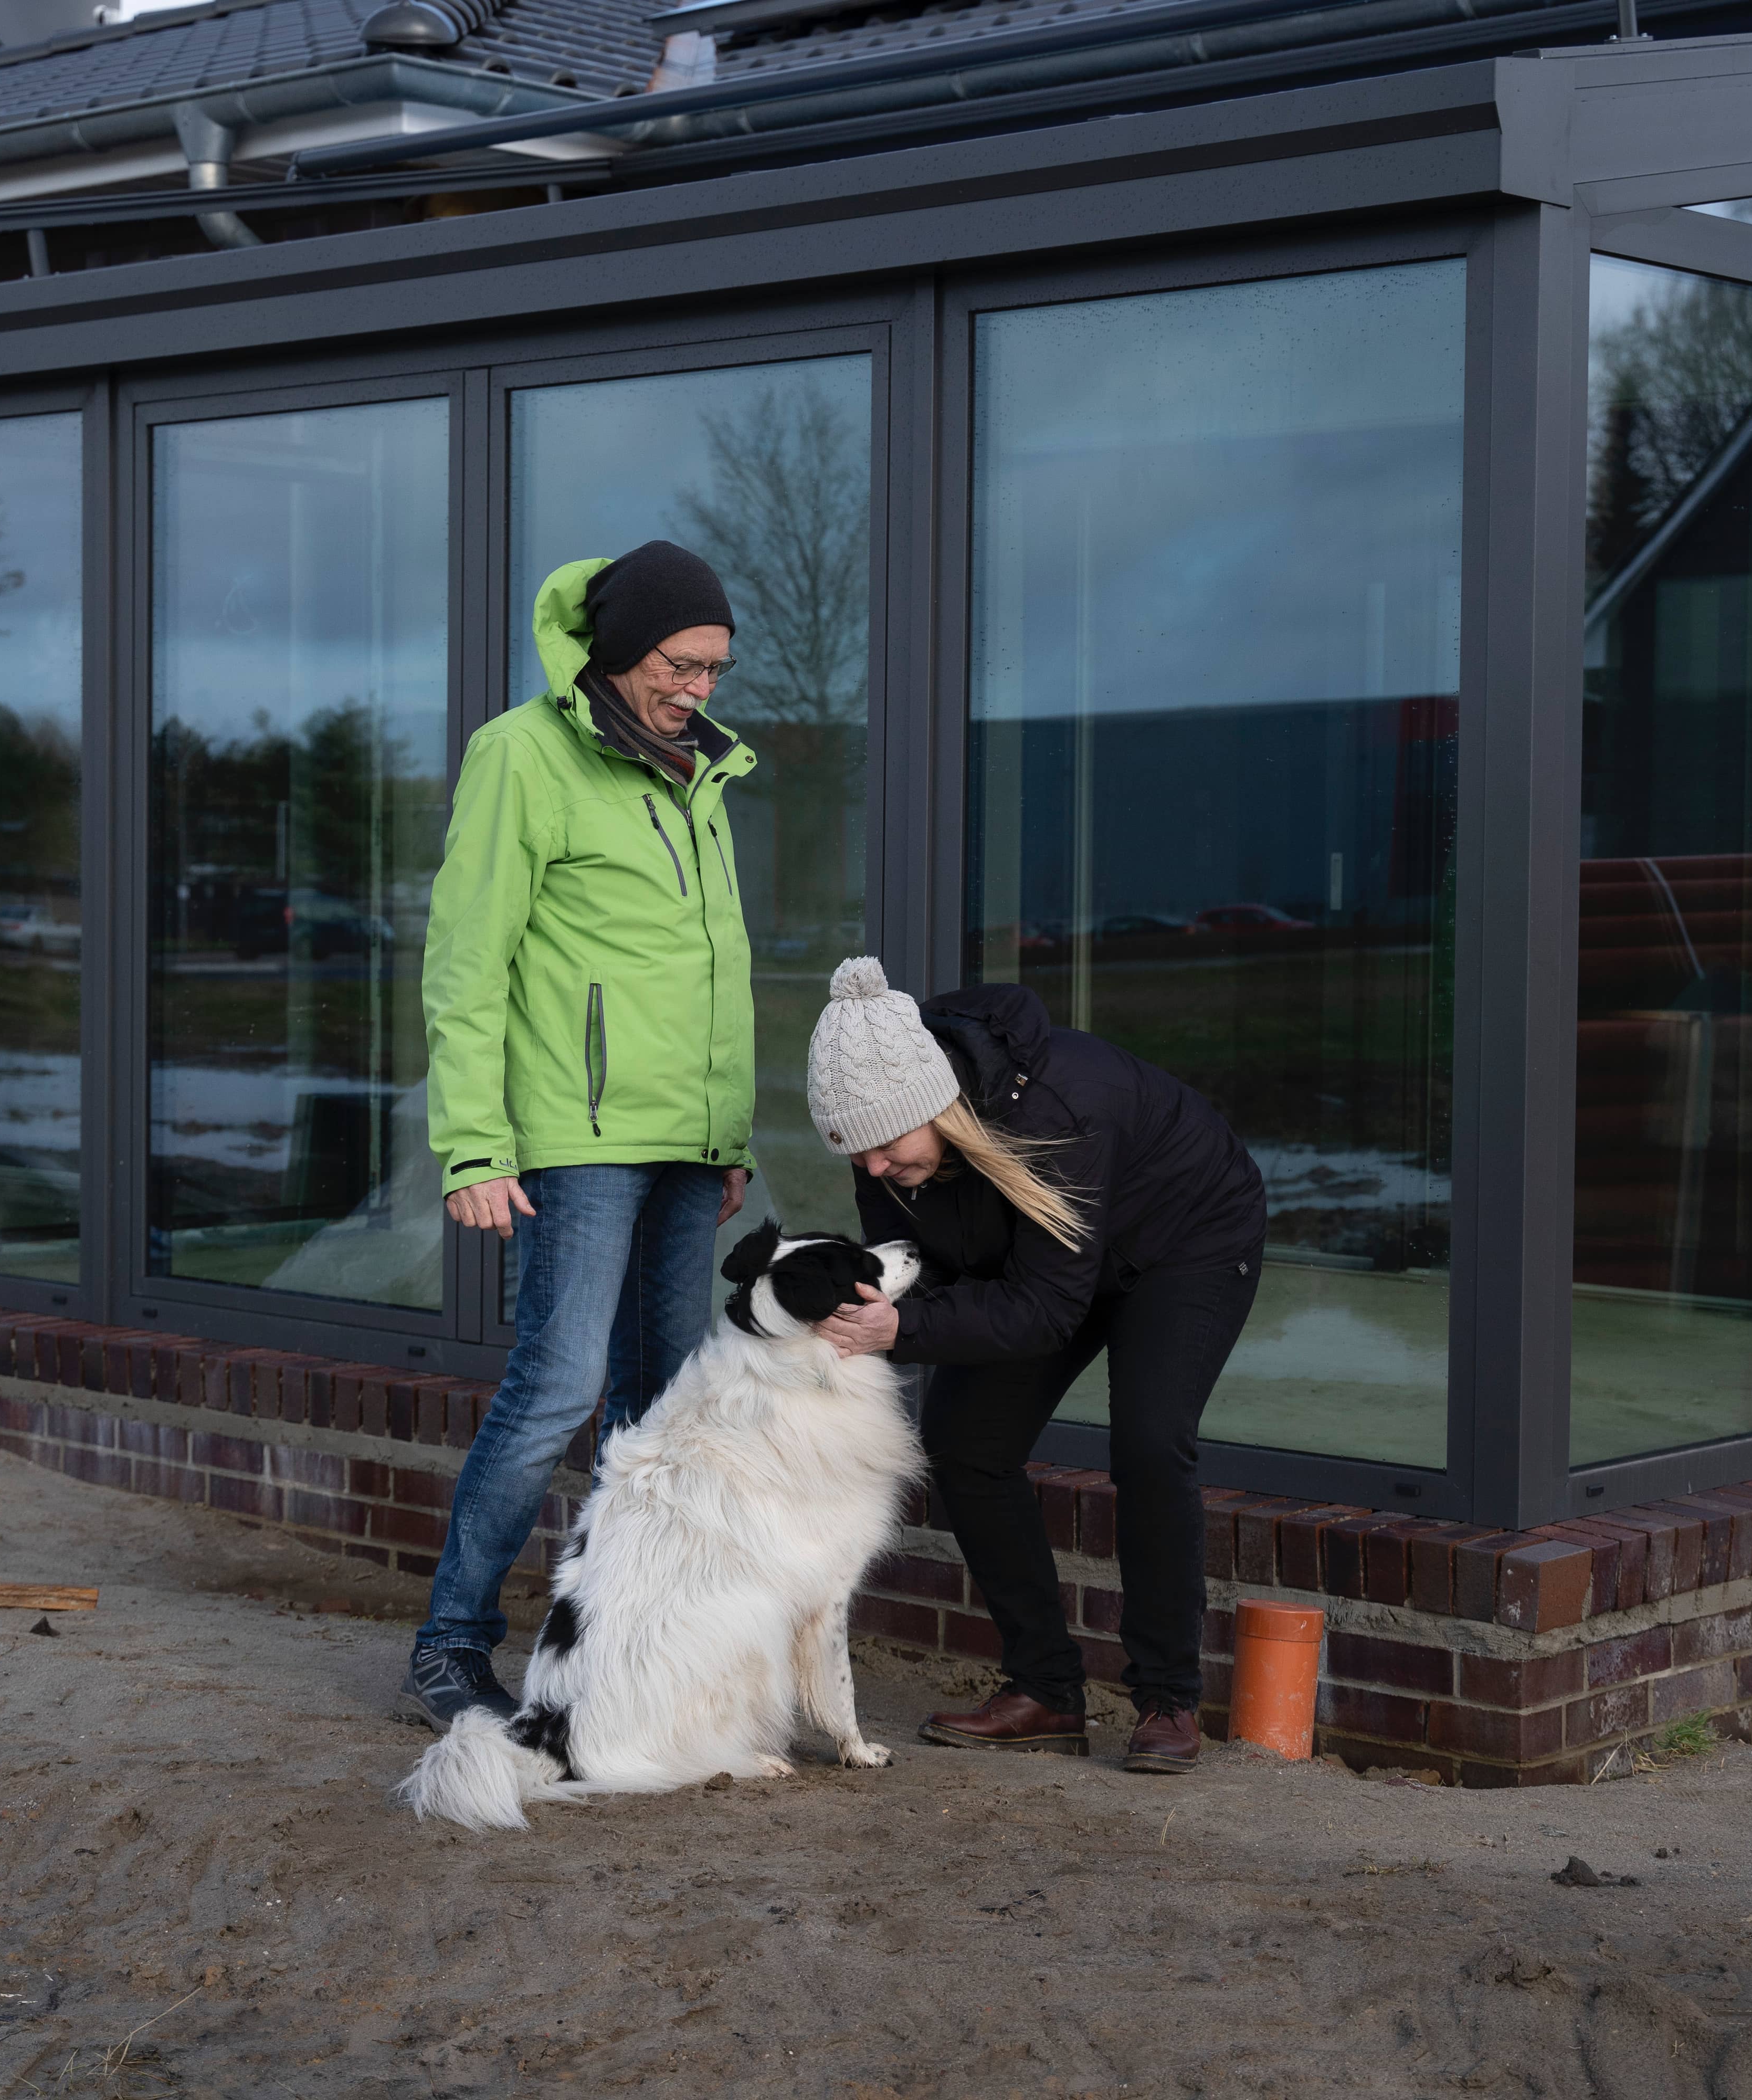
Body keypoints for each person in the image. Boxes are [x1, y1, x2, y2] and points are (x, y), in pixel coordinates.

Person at [406, 540, 759, 1727]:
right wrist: (474, 1143)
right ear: (619, 653)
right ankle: (451, 1644)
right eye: (683, 664)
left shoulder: (698, 773)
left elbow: (711, 967)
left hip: (682, 1140)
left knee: (659, 1407)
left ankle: (623, 1642)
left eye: (715, 668)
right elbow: (467, 960)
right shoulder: (524, 754)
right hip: (581, 1133)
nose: (702, 688)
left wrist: (729, 1132)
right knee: (559, 1387)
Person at [804, 957, 1266, 1774]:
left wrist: (901, 1327)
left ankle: (1167, 1697)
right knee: (964, 1440)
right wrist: (871, 1313)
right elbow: (929, 1266)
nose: (872, 1168)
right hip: (1046, 1259)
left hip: (1181, 1242)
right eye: (855, 1151)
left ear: (933, 1107)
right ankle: (1047, 1691)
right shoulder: (891, 1149)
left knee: (1151, 1447)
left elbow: (1047, 1310)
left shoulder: (1057, 1109)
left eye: (882, 1144)